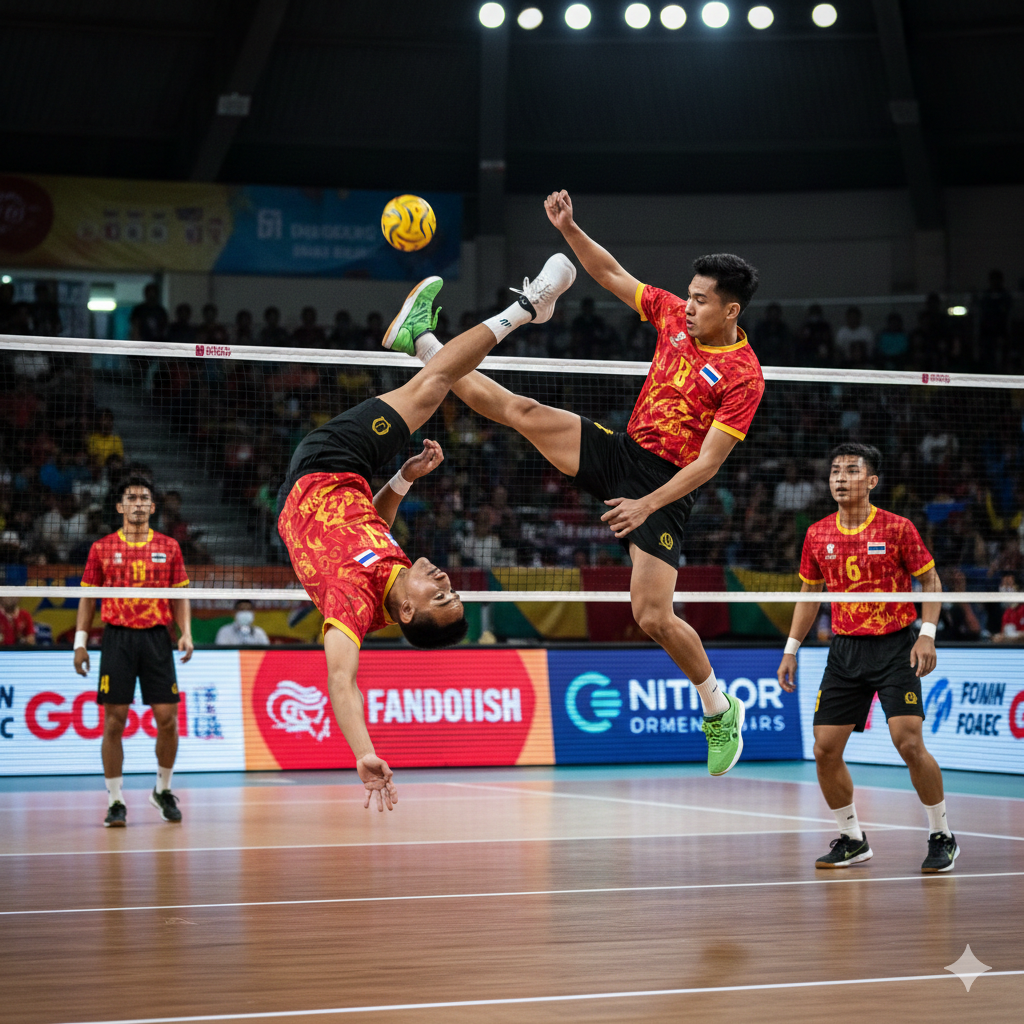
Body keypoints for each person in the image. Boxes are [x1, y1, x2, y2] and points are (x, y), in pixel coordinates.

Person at [394, 190, 761, 776]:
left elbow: (709, 464)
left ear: (731, 310)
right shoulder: (669, 314)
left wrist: (646, 505)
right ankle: (422, 341)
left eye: (701, 301)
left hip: (667, 485)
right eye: (688, 296)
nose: (688, 306)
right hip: (624, 452)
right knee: (522, 410)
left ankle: (718, 708)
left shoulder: (744, 378)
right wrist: (569, 228)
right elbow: (610, 272)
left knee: (651, 615)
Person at [278, 253, 575, 810]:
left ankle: (522, 306)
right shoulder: (393, 576)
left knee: (435, 385)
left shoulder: (352, 606)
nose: (443, 579)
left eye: (439, 594)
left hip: (322, 468)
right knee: (434, 388)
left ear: (409, 614)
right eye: (452, 589)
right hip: (352, 481)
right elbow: (371, 529)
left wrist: (362, 751)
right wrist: (403, 479)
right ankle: (426, 336)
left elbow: (342, 681)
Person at [776, 442, 958, 873]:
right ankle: (853, 839)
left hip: (895, 644)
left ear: (872, 481)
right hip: (844, 650)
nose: (840, 478)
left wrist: (926, 635)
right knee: (824, 750)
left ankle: (942, 834)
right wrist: (791, 648)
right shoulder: (817, 533)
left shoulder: (897, 528)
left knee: (909, 741)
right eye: (835, 470)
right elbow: (809, 595)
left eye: (851, 471)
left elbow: (930, 581)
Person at [73, 474, 193, 828]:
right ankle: (115, 800)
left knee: (168, 720)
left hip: (157, 638)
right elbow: (88, 599)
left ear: (153, 507)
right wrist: (80, 643)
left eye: (144, 498)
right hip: (117, 638)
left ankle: (163, 790)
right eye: (131, 497)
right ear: (120, 506)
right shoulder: (102, 548)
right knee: (114, 721)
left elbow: (180, 594)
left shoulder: (170, 546)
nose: (138, 503)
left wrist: (185, 633)